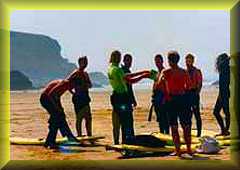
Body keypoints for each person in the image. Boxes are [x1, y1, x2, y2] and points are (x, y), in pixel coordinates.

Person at [107, 50, 150, 144]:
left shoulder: (111, 68)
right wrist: (143, 76)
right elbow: (129, 80)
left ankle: (123, 141)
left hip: (116, 97)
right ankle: (128, 142)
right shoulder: (117, 70)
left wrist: (142, 73)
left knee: (123, 121)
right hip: (122, 98)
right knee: (127, 121)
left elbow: (127, 76)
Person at [159, 51, 193, 158]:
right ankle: (188, 149)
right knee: (186, 126)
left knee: (174, 127)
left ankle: (178, 150)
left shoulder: (166, 72)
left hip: (171, 99)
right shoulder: (183, 72)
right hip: (182, 99)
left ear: (169, 60)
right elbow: (189, 86)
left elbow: (159, 85)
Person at [40, 79, 78, 149]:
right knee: (56, 119)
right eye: (74, 87)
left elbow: (57, 96)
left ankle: (67, 136)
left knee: (60, 116)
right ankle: (51, 142)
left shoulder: (68, 85)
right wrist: (57, 107)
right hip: (46, 98)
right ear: (72, 83)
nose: (73, 88)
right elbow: (51, 94)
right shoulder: (64, 83)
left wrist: (60, 108)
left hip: (52, 99)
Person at [67, 56, 92, 137]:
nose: (85, 64)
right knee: (79, 117)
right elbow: (67, 82)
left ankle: (89, 134)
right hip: (78, 98)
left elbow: (90, 85)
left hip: (85, 97)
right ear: (80, 63)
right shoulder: (76, 73)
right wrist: (73, 92)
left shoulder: (85, 74)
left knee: (88, 117)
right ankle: (79, 135)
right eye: (84, 62)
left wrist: (86, 85)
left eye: (86, 62)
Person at [150, 54, 169, 134]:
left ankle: (167, 135)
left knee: (165, 120)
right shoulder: (156, 73)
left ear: (162, 61)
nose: (157, 63)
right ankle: (162, 134)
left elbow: (167, 86)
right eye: (156, 61)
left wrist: (165, 98)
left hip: (163, 99)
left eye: (159, 61)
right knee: (160, 120)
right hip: (156, 99)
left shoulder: (164, 72)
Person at [185, 54, 203, 137]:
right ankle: (188, 132)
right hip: (186, 94)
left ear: (192, 61)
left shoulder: (197, 71)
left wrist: (196, 94)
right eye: (186, 61)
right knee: (187, 115)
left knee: (196, 114)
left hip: (194, 93)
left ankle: (199, 133)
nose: (187, 62)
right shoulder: (185, 72)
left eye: (189, 61)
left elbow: (199, 84)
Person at [213, 53, 230, 136]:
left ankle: (225, 130)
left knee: (225, 112)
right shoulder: (223, 69)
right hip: (222, 93)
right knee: (217, 112)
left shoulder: (226, 68)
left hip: (225, 93)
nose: (218, 62)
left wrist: (231, 56)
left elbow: (225, 61)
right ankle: (224, 130)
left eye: (219, 60)